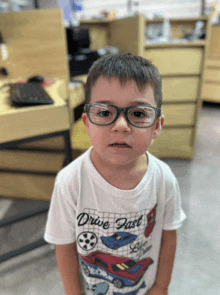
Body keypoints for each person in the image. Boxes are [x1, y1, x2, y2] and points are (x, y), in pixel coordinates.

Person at [44, 53, 186, 295]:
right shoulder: (70, 181)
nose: (121, 125)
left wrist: (161, 286)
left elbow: (168, 237)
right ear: (87, 123)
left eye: (138, 114)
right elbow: (64, 244)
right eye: (105, 112)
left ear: (157, 126)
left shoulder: (164, 179)